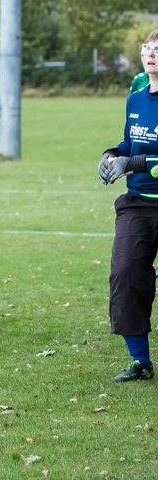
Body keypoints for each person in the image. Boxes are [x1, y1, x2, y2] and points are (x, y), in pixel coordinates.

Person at [96, 29, 158, 381]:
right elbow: (129, 142)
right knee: (125, 273)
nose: (151, 54)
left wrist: (129, 164)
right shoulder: (135, 99)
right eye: (147, 48)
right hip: (138, 203)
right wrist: (112, 154)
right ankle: (140, 361)